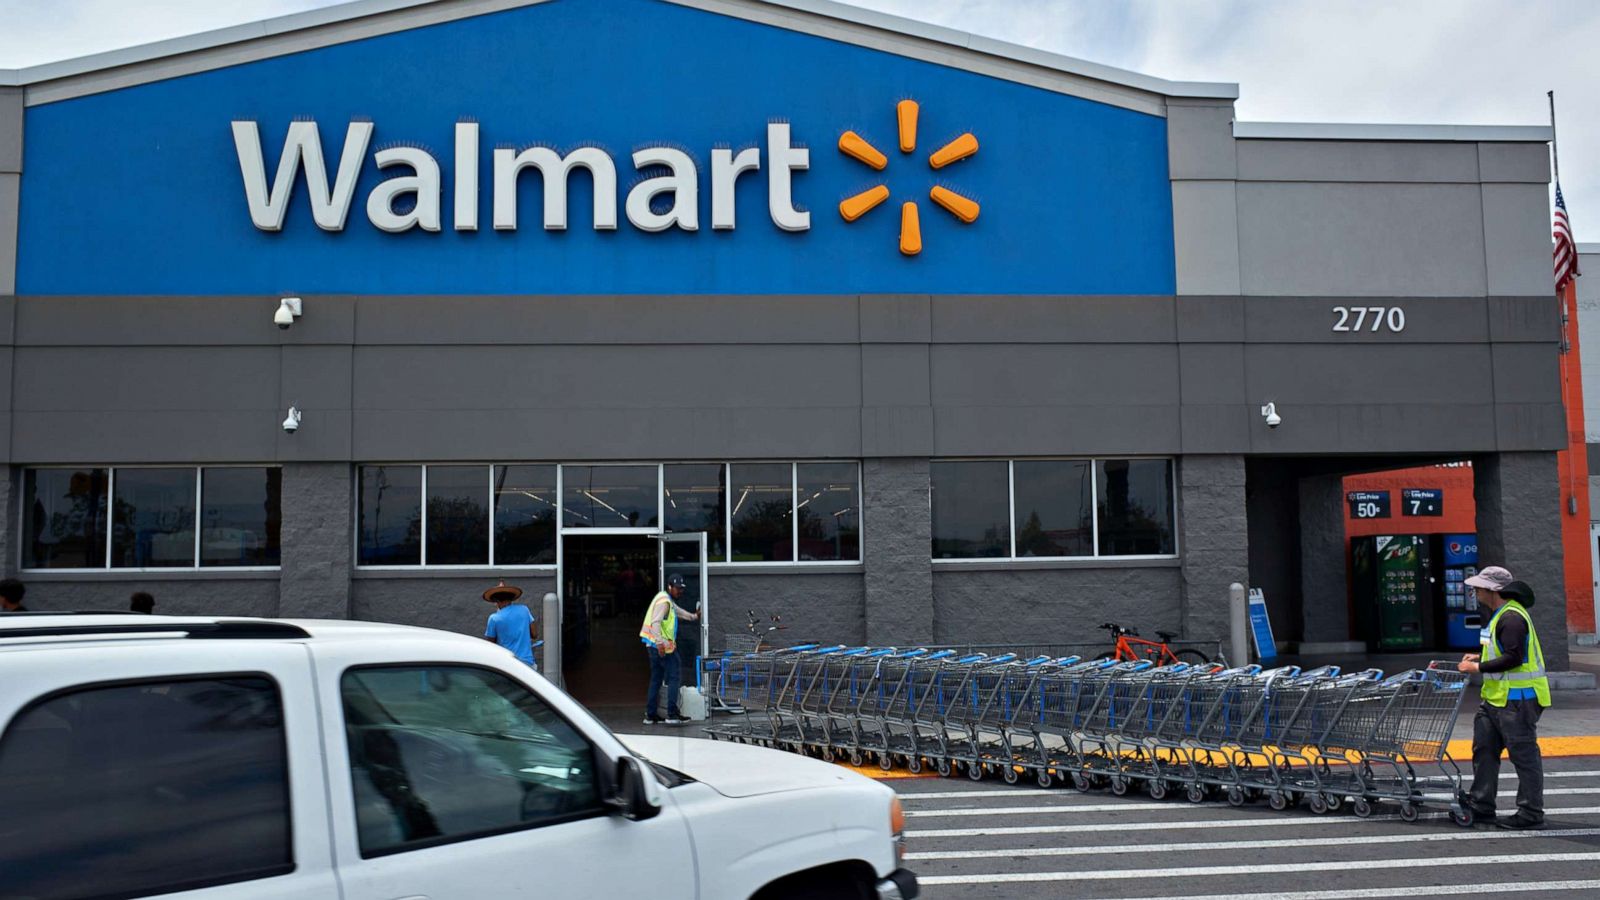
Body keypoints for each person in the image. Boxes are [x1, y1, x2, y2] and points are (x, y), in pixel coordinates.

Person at [1457, 565, 1550, 829]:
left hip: (1518, 700)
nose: (1475, 591)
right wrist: (1480, 656)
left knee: (1524, 756)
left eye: (1478, 587)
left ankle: (1530, 813)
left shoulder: (1512, 618)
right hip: (1497, 699)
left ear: (1493, 590)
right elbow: (1502, 650)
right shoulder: (1500, 615)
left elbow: (1514, 657)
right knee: (1484, 749)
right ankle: (1481, 804)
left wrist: (1477, 667)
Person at [639, 573, 699, 725]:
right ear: (669, 587)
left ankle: (650, 715)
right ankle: (672, 714)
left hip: (653, 646)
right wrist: (659, 644)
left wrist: (693, 617)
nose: (680, 591)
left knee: (656, 680)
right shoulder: (664, 602)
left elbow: (678, 612)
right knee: (674, 677)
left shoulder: (665, 598)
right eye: (677, 588)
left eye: (681, 589)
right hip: (662, 648)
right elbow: (655, 622)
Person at [481, 581, 537, 667]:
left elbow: (491, 645)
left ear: (497, 601)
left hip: (508, 665)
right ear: (511, 599)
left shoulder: (494, 618)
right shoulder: (524, 609)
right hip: (527, 663)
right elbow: (534, 634)